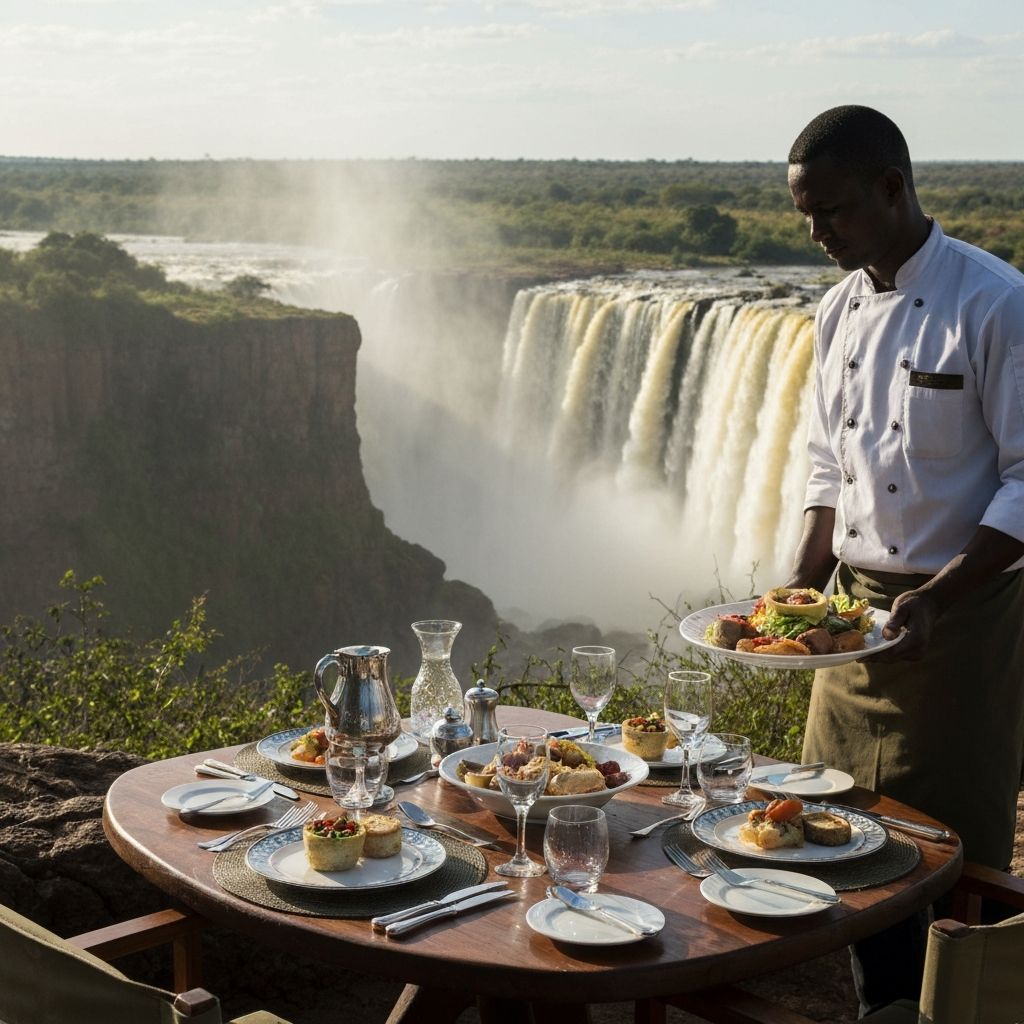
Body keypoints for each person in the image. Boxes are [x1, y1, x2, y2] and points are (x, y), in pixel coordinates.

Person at [783, 105, 1024, 1014]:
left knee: (945, 858)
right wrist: (802, 587)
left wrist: (938, 593)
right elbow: (823, 462)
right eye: (806, 218)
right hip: (849, 627)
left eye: (832, 214)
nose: (817, 236)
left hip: (961, 619)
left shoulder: (996, 302)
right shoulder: (835, 309)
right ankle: (872, 1006)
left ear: (893, 189)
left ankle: (954, 1006)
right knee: (834, 839)